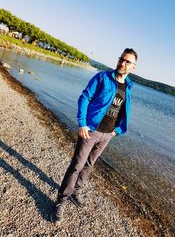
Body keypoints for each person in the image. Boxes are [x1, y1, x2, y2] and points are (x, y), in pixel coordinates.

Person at [51, 48, 138, 224]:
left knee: (89, 165)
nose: (123, 63)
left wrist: (117, 131)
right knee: (77, 165)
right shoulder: (102, 77)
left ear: (133, 67)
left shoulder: (128, 87)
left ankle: (77, 191)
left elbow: (122, 111)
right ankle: (61, 201)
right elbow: (85, 97)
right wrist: (82, 123)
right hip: (91, 130)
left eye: (127, 61)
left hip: (107, 134)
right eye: (121, 59)